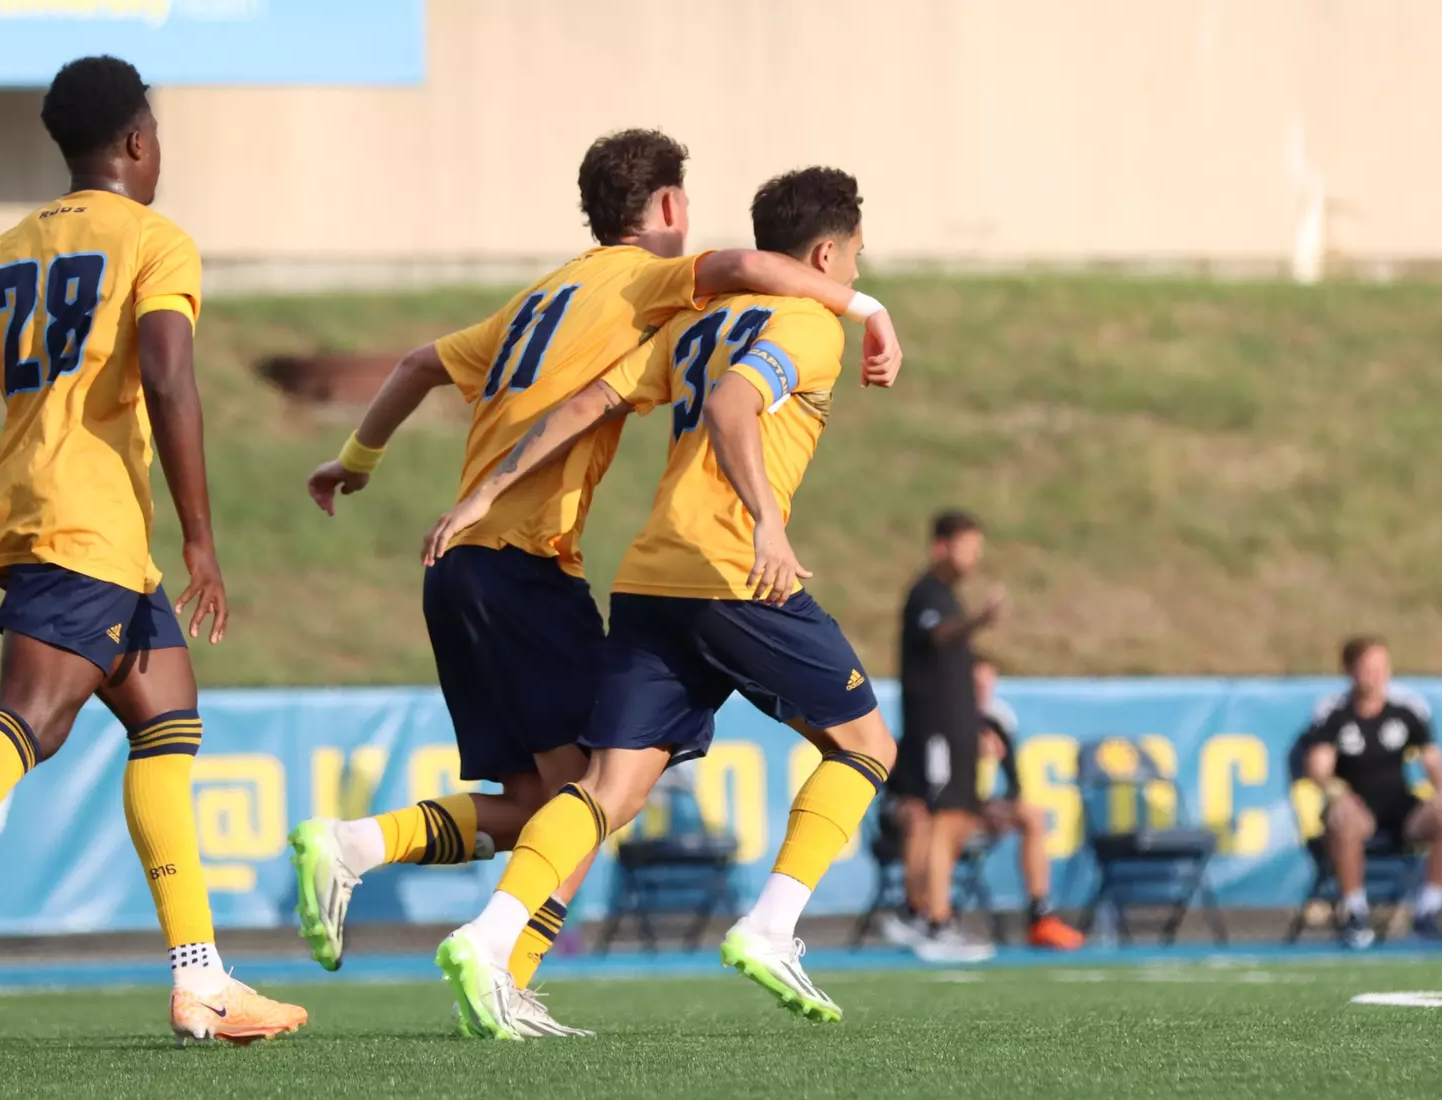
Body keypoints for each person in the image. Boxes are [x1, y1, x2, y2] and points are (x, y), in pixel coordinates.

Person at [286, 133, 900, 1037]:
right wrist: (863, 308)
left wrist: (447, 480)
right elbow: (733, 364)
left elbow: (531, 391)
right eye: (851, 257)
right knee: (864, 746)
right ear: (817, 259)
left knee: (582, 795)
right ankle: (764, 926)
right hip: (629, 569)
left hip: (585, 574)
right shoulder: (694, 295)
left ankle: (442, 908)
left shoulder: (571, 299)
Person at [0, 57, 307, 1054]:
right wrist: (204, 535)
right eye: (157, 133)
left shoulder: (2, 250)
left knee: (168, 717)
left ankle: (200, 978)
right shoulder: (156, 241)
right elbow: (169, 376)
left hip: (86, 533)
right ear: (135, 141)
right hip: (90, 528)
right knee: (31, 718)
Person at [882, 510, 1003, 962]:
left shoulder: (947, 596)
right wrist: (981, 621)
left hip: (950, 730)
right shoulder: (927, 595)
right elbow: (939, 638)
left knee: (940, 818)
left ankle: (918, 912)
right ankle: (937, 919)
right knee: (943, 817)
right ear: (941, 546)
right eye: (967, 546)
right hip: (935, 729)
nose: (973, 557)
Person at [1303, 635, 1442, 949]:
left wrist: (1441, 793)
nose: (1376, 675)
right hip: (1354, 805)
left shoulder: (1406, 707)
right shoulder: (1335, 711)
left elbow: (1431, 759)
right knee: (1345, 819)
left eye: (1382, 667)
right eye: (1368, 667)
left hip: (1399, 807)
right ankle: (1355, 913)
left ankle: (1427, 911)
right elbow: (1318, 767)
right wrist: (1338, 793)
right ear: (1350, 670)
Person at [972, 655, 1083, 949]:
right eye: (976, 684)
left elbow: (1013, 781)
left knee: (1033, 816)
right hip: (949, 807)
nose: (983, 691)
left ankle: (1040, 914)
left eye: (987, 683)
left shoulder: (998, 716)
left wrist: (1000, 806)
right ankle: (932, 919)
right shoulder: (944, 711)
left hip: (984, 806)